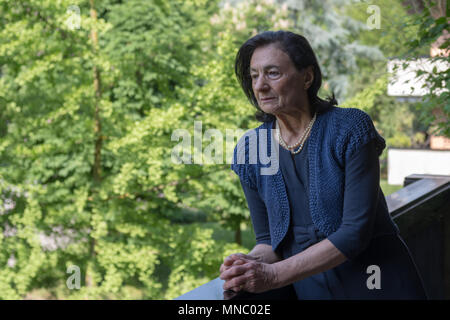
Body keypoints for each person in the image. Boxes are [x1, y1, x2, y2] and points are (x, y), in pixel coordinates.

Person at [220, 30, 428, 300]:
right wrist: (245, 264)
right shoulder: (251, 150)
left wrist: (271, 276)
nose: (260, 86)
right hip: (312, 290)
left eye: (272, 73)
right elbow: (269, 241)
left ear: (306, 77)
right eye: (254, 75)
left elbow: (354, 233)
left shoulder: (350, 129)